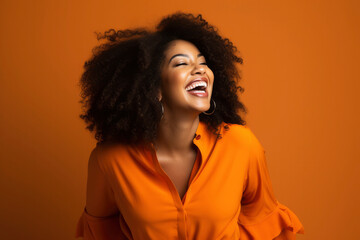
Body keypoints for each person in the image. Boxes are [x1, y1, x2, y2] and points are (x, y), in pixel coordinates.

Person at [75, 12, 305, 240]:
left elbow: (269, 226)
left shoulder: (241, 145)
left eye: (203, 63)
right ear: (153, 88)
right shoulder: (109, 161)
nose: (200, 69)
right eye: (182, 63)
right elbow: (99, 234)